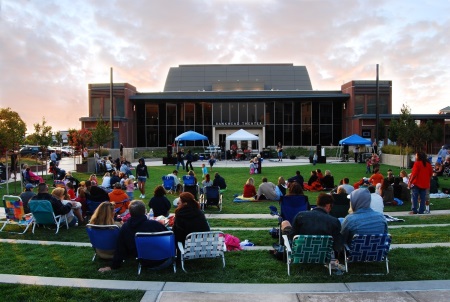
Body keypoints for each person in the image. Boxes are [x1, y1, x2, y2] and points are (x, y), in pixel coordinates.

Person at [98, 200, 168, 272]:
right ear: (144, 211)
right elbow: (170, 239)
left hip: (142, 260)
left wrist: (114, 266)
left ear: (130, 212)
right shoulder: (155, 225)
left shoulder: (125, 227)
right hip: (163, 259)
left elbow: (120, 247)